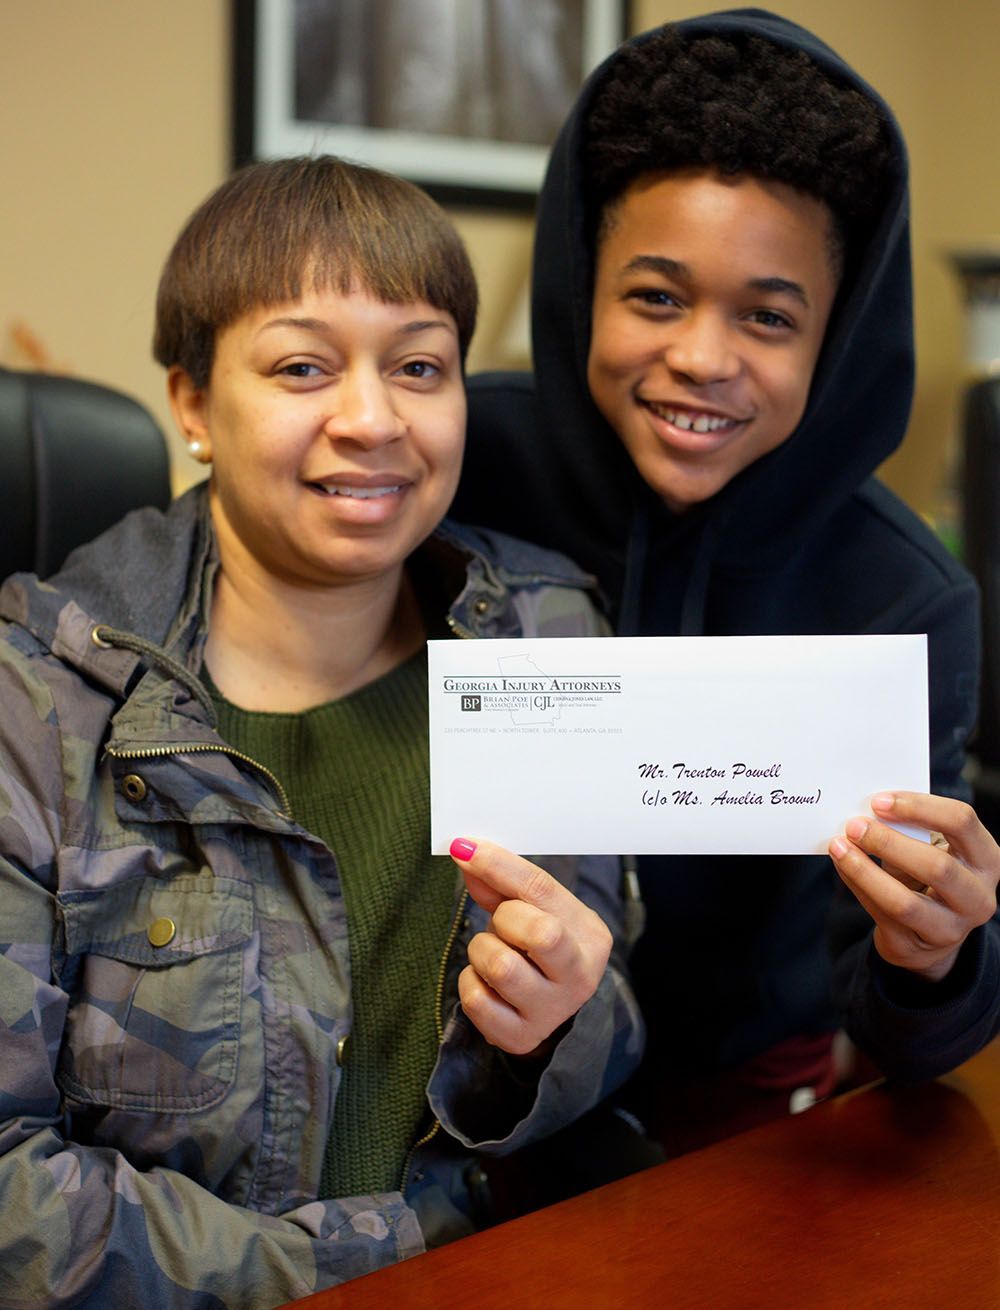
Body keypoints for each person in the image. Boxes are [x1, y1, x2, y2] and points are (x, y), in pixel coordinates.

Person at [0, 156, 643, 1307]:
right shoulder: (34, 703)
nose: (372, 418)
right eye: (303, 366)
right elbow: (9, 1192)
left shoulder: (545, 637)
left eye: (418, 366)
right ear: (192, 402)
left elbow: (610, 1022)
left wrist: (553, 1032)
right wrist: (380, 1263)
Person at [452, 9, 1000, 1156]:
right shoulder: (455, 469)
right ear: (580, 282)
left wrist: (935, 953)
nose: (702, 356)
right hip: (447, 1083)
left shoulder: (901, 598)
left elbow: (906, 1043)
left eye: (767, 316)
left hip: (737, 1126)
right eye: (655, 295)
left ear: (834, 338)